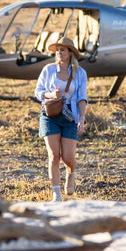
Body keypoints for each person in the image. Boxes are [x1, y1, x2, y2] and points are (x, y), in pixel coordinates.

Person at [34, 37, 89, 201]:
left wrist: (82, 118)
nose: (59, 53)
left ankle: (71, 173)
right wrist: (51, 95)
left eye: (63, 50)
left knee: (68, 157)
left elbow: (82, 98)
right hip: (50, 114)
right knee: (53, 155)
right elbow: (38, 91)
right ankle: (56, 195)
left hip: (70, 116)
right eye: (58, 50)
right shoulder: (48, 70)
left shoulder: (80, 73)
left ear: (70, 53)